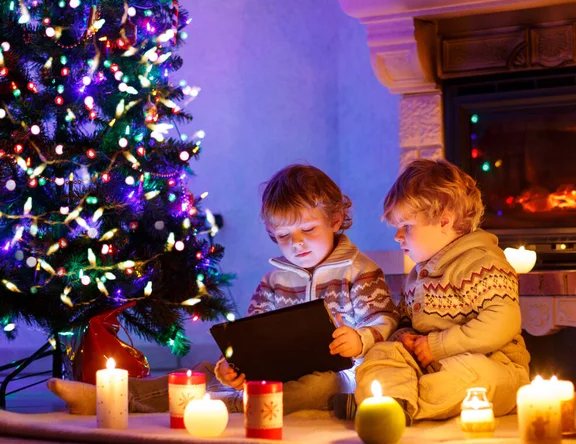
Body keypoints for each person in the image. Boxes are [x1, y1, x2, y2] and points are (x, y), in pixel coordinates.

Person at [48, 163, 398, 415]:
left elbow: (386, 320)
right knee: (201, 370)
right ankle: (107, 397)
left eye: (308, 229)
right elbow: (252, 335)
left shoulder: (359, 271)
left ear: (335, 220)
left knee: (320, 386)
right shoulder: (273, 281)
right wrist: (233, 365)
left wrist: (361, 338)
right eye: (284, 237)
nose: (298, 244)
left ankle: (230, 403)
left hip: (336, 376)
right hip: (274, 373)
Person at [336, 159, 530, 425]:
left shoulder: (482, 263)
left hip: (495, 364)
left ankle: (392, 408)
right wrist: (405, 338)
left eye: (407, 226)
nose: (397, 236)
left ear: (444, 222)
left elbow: (502, 322)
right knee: (383, 354)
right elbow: (406, 320)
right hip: (429, 361)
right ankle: (386, 401)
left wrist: (438, 346)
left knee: (471, 378)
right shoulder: (419, 274)